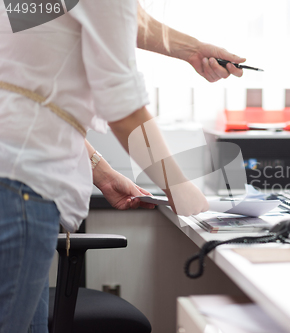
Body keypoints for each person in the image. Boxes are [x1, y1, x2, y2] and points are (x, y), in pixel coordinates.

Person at [0, 1, 246, 332]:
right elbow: (122, 105)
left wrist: (192, 50)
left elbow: (29, 86)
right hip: (19, 193)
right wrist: (180, 188)